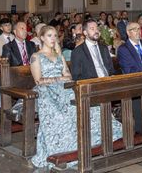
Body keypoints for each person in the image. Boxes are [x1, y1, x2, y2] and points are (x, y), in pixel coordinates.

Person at [30, 25, 122, 168]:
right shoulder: (36, 56)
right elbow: (38, 80)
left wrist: (61, 79)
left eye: (55, 35)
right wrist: (58, 79)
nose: (53, 39)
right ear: (42, 38)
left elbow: (68, 75)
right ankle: (62, 151)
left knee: (90, 107)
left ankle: (94, 143)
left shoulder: (59, 55)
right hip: (46, 92)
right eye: (49, 35)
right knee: (61, 114)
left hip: (65, 89)